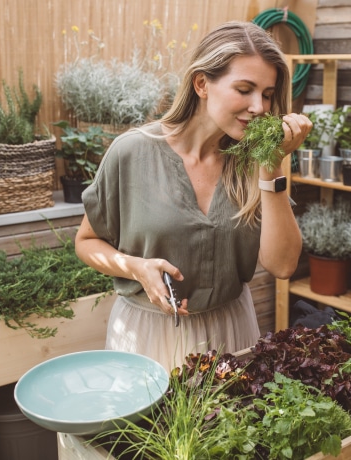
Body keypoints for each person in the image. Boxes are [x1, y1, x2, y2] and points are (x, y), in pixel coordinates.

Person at [75, 20, 311, 372]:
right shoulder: (132, 152)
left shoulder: (253, 160)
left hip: (232, 332)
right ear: (202, 83)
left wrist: (272, 167)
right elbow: (86, 241)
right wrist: (137, 268)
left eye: (266, 93)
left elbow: (283, 265)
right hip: (149, 335)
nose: (259, 107)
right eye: (244, 89)